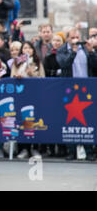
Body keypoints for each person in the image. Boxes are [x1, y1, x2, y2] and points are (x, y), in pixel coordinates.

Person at [56, 28, 97, 161]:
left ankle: (89, 151)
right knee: (70, 120)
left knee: (87, 120)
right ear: (68, 38)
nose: (76, 40)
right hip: (70, 89)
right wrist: (73, 52)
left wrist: (91, 51)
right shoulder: (62, 50)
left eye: (77, 37)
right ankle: (71, 151)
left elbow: (94, 65)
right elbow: (64, 64)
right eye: (73, 37)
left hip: (86, 89)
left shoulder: (85, 48)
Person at [11, 41, 45, 160]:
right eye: (25, 48)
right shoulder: (17, 62)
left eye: (30, 48)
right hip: (21, 95)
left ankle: (34, 148)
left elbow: (42, 79)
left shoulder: (37, 62)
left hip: (35, 95)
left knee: (33, 121)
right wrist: (17, 77)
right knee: (21, 121)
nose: (27, 50)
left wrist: (32, 75)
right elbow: (12, 77)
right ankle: (23, 148)